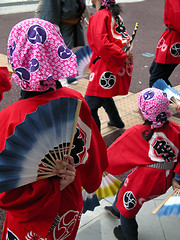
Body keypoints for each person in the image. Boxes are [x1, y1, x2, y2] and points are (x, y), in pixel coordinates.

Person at [0, 18, 108, 240]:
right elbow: (94, 157)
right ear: (58, 54)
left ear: (15, 58)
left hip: (31, 215)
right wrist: (77, 177)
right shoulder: (76, 101)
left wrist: (49, 186)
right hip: (69, 201)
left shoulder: (9, 118)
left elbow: (5, 189)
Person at [105, 87, 180, 240]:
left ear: (143, 112)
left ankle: (128, 235)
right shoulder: (177, 129)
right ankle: (115, 209)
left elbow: (112, 156)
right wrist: (177, 177)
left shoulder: (137, 132)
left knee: (128, 209)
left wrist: (99, 165)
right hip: (166, 179)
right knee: (125, 185)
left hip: (145, 181)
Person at [84, 0, 133, 131]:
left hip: (105, 63)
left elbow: (102, 44)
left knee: (89, 106)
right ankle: (116, 120)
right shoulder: (113, 14)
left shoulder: (99, 15)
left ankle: (96, 140)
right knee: (103, 94)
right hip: (113, 60)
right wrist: (124, 54)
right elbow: (124, 38)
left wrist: (122, 55)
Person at [149, 0, 180, 87]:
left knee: (156, 78)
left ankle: (164, 100)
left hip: (175, 36)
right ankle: (172, 99)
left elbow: (177, 14)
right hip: (172, 34)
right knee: (155, 72)